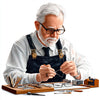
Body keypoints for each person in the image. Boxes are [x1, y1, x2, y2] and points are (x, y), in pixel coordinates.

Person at [3, 3, 90, 85]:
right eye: (50, 30)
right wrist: (37, 77)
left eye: (58, 30)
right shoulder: (21, 45)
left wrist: (76, 73)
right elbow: (10, 77)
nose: (55, 36)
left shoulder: (65, 45)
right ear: (37, 25)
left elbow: (87, 68)